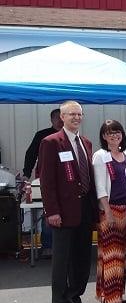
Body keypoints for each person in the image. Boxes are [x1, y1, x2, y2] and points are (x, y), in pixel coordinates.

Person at [38, 101, 98, 303]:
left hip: (84, 209)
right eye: (71, 114)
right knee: (62, 260)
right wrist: (51, 210)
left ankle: (74, 297)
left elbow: (89, 177)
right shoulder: (51, 142)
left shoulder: (86, 143)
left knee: (82, 258)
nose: (76, 118)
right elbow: (47, 181)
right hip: (62, 211)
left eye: (79, 114)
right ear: (61, 117)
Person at [92, 120, 126, 303]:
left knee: (122, 254)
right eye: (109, 133)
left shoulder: (125, 154)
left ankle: (117, 294)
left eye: (117, 132)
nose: (114, 135)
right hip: (110, 210)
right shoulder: (101, 156)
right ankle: (111, 298)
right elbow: (100, 187)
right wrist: (107, 212)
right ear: (104, 136)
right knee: (110, 254)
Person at [23, 108, 63, 258]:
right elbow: (30, 154)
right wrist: (26, 174)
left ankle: (66, 247)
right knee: (48, 211)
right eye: (56, 118)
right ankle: (47, 246)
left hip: (67, 181)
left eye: (62, 117)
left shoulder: (72, 136)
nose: (60, 121)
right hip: (45, 179)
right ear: (51, 120)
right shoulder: (42, 135)